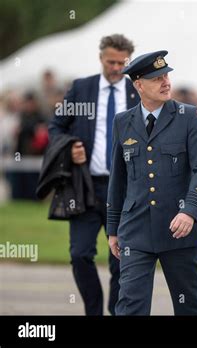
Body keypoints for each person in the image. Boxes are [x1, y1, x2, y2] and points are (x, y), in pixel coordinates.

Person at [106, 50, 197, 315]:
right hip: (136, 229)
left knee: (190, 305)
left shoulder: (189, 117)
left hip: (180, 230)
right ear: (139, 84)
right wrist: (112, 227)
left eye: (166, 75)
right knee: (130, 304)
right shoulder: (123, 122)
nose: (166, 82)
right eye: (157, 78)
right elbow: (118, 178)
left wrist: (190, 210)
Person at [48, 34, 139, 315]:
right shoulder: (81, 89)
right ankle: (94, 309)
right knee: (80, 254)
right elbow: (55, 128)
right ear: (101, 58)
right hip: (86, 187)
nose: (115, 68)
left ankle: (115, 310)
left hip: (126, 190)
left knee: (122, 259)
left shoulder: (137, 90)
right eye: (111, 61)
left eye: (121, 63)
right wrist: (69, 148)